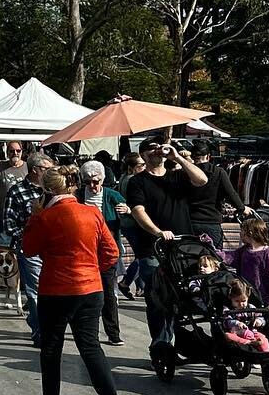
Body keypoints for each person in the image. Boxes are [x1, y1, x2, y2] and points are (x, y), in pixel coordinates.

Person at [22, 169, 123, 395]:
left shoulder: (46, 217)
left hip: (56, 289)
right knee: (90, 345)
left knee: (52, 346)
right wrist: (93, 270)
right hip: (90, 288)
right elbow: (112, 252)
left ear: (47, 192)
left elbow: (29, 248)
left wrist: (34, 216)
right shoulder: (93, 212)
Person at [126, 141, 206, 343]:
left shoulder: (177, 176)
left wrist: (177, 157)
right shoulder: (137, 181)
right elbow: (138, 211)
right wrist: (158, 232)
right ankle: (161, 346)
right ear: (143, 155)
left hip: (182, 248)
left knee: (183, 297)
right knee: (158, 299)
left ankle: (182, 343)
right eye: (152, 148)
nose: (157, 150)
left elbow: (201, 180)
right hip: (153, 248)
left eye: (159, 146)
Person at [2, 152, 53, 345]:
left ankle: (36, 319)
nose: (51, 172)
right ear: (35, 170)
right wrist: (27, 237)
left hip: (52, 248)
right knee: (35, 291)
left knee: (49, 290)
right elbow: (9, 223)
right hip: (30, 249)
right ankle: (40, 332)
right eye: (47, 169)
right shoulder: (16, 191)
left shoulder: (52, 190)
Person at [78, 160, 128, 345]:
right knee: (84, 292)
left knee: (108, 292)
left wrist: (127, 210)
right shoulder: (77, 196)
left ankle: (113, 333)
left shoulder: (111, 195)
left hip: (107, 252)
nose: (93, 186)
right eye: (88, 182)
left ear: (103, 180)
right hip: (84, 251)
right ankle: (85, 329)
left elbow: (131, 214)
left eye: (96, 181)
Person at [180, 141, 250, 249]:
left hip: (189, 221)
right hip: (211, 221)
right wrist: (241, 208)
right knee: (214, 258)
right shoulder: (218, 172)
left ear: (193, 157)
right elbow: (230, 194)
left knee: (190, 256)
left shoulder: (184, 173)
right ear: (208, 156)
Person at [219, 217, 269, 309]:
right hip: (244, 297)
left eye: (242, 231)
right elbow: (228, 257)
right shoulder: (244, 251)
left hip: (263, 299)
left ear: (249, 233)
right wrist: (212, 249)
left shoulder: (268, 252)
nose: (240, 234)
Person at [115, 154, 147, 297]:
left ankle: (141, 286)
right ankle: (126, 282)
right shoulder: (131, 180)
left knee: (140, 254)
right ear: (131, 167)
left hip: (126, 222)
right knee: (143, 255)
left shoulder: (123, 178)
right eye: (141, 165)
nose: (144, 167)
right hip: (133, 221)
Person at [221, 278, 269, 352]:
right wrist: (237, 323)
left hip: (252, 332)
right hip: (237, 333)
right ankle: (250, 343)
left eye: (244, 301)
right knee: (228, 336)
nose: (241, 304)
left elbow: (260, 317)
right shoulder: (228, 309)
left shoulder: (251, 307)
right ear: (230, 298)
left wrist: (259, 321)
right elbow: (226, 321)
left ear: (248, 298)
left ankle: (266, 353)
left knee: (263, 338)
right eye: (237, 301)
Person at [0, 141, 28, 233]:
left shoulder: (28, 168)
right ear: (7, 153)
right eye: (12, 151)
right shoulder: (0, 168)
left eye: (18, 151)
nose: (15, 153)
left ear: (22, 152)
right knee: (2, 246)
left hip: (22, 217)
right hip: (2, 216)